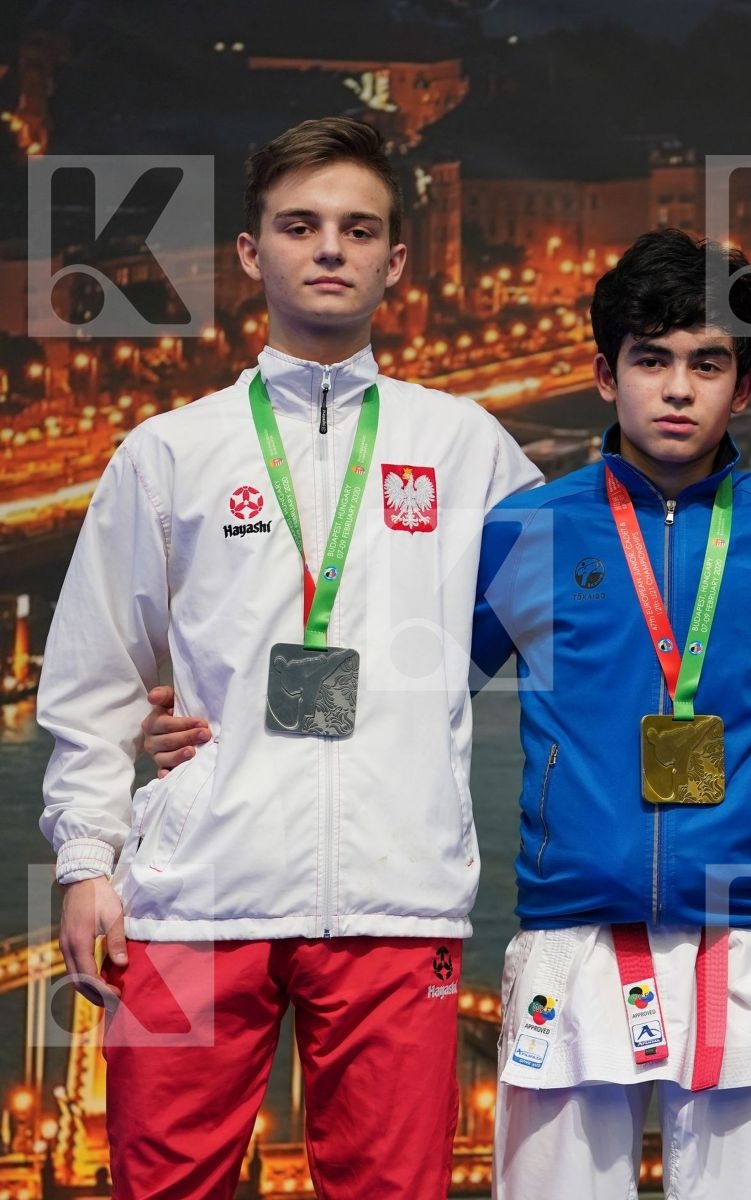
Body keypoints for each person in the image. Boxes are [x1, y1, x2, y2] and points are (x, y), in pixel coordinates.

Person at [38, 116, 543, 1198]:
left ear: (394, 260)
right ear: (248, 253)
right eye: (299, 225)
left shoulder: (466, 447)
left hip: (394, 903)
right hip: (191, 897)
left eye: (357, 229)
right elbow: (92, 679)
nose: (328, 248)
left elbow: (590, 601)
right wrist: (85, 861)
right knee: (161, 1187)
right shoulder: (167, 451)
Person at [470, 228, 751, 1199]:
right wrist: (204, 717)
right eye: (651, 360)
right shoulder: (525, 531)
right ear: (604, 373)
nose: (678, 388)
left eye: (706, 364)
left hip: (742, 933)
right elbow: (418, 703)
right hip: (567, 932)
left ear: (743, 386)